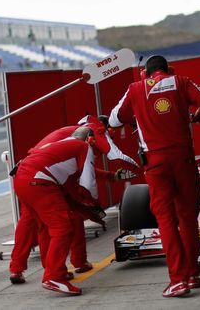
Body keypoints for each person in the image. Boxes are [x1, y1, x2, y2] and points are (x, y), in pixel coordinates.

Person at [109, 54, 200, 298]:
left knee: (166, 220)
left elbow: (115, 118)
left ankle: (178, 279)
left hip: (156, 164)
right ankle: (193, 274)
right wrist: (193, 113)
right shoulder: (181, 81)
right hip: (184, 159)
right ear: (168, 68)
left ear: (145, 73)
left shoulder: (135, 88)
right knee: (188, 217)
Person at [9, 115, 138, 284]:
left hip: (29, 173)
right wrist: (94, 202)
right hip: (43, 177)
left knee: (35, 223)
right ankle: (73, 264)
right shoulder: (93, 133)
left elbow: (72, 166)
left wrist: (109, 176)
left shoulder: (73, 133)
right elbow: (83, 171)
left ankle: (19, 268)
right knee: (69, 218)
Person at [12, 126, 101, 296]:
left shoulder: (62, 142)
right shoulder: (84, 146)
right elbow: (88, 183)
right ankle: (53, 276)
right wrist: (94, 204)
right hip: (39, 180)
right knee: (63, 226)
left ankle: (50, 269)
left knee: (45, 227)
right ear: (91, 139)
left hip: (23, 178)